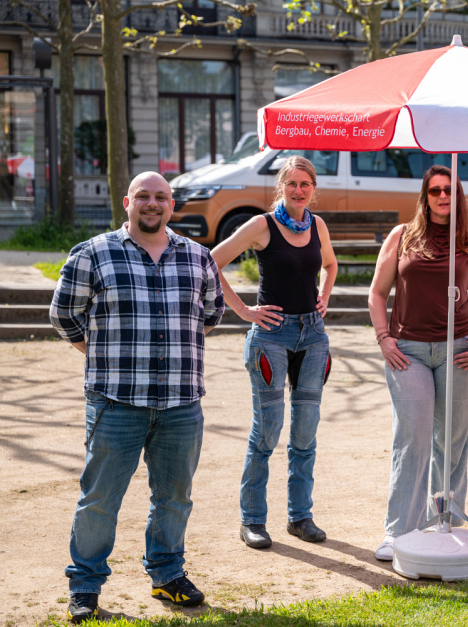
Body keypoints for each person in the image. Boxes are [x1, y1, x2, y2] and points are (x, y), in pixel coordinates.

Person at [50, 172, 225, 623]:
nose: (152, 203)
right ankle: (85, 585)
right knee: (100, 499)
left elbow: (210, 314)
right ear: (127, 202)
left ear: (172, 205)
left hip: (181, 404)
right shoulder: (93, 253)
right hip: (116, 400)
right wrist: (100, 354)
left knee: (174, 497)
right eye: (143, 196)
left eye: (161, 197)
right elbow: (64, 313)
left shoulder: (199, 257)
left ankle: (167, 576)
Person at [210, 156, 338, 550]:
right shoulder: (263, 226)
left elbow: (330, 265)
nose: (299, 190)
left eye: (306, 184)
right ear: (280, 186)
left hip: (313, 337)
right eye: (292, 183)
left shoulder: (317, 225)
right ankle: (252, 521)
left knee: (305, 433)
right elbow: (211, 262)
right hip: (271, 337)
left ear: (313, 189)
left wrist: (325, 296)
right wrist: (244, 310)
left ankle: (300, 518)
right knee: (267, 433)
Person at [368, 164, 468, 560]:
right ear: (425, 196)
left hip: (461, 349)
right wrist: (385, 339)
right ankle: (399, 532)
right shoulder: (401, 237)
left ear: (458, 197)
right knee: (413, 439)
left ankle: (446, 522)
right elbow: (377, 294)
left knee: (453, 440)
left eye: (449, 190)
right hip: (409, 351)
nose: (442, 197)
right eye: (435, 190)